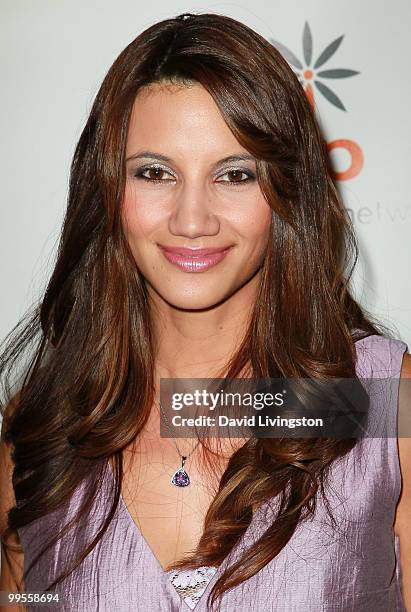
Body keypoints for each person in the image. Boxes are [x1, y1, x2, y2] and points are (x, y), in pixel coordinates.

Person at [0, 11, 410, 612]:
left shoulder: (379, 404)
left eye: (236, 174)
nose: (193, 220)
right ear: (109, 190)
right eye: (155, 172)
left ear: (286, 194)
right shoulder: (43, 428)